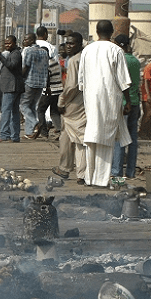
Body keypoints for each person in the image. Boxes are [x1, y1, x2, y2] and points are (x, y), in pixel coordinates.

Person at [78, 20, 132, 187]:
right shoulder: (116, 50)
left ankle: (89, 177)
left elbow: (81, 81)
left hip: (91, 100)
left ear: (96, 31)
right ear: (113, 31)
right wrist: (128, 101)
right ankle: (100, 179)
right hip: (109, 99)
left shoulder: (87, 50)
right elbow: (123, 81)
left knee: (92, 136)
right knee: (106, 139)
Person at [52, 32, 86, 185]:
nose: (68, 46)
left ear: (79, 44)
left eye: (72, 43)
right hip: (86, 103)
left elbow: (71, 86)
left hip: (74, 103)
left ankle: (65, 168)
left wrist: (61, 102)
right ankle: (82, 173)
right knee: (81, 140)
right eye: (67, 43)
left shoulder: (74, 60)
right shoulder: (86, 57)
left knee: (66, 136)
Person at [111, 35, 141, 179]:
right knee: (133, 139)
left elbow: (122, 84)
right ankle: (130, 171)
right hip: (135, 102)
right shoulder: (135, 61)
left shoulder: (120, 59)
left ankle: (116, 171)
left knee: (119, 140)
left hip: (123, 103)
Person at [0, 35, 24, 143]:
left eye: (9, 43)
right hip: (11, 86)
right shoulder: (11, 54)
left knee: (6, 111)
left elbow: (12, 65)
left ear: (14, 43)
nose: (7, 45)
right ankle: (14, 136)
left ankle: (4, 135)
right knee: (14, 112)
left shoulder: (16, 54)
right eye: (5, 43)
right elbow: (10, 69)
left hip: (12, 87)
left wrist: (0, 56)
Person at [20, 33, 49, 139]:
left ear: (32, 40)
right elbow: (46, 68)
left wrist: (21, 79)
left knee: (23, 105)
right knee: (32, 106)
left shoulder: (28, 50)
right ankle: (29, 132)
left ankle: (35, 122)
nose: (25, 41)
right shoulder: (43, 52)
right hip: (41, 82)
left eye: (26, 39)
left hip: (29, 81)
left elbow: (25, 67)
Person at [35, 47, 63, 139]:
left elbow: (46, 76)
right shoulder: (54, 61)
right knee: (54, 112)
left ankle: (44, 132)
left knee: (40, 110)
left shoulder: (45, 63)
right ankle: (59, 130)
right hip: (58, 90)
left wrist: (46, 87)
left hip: (49, 90)